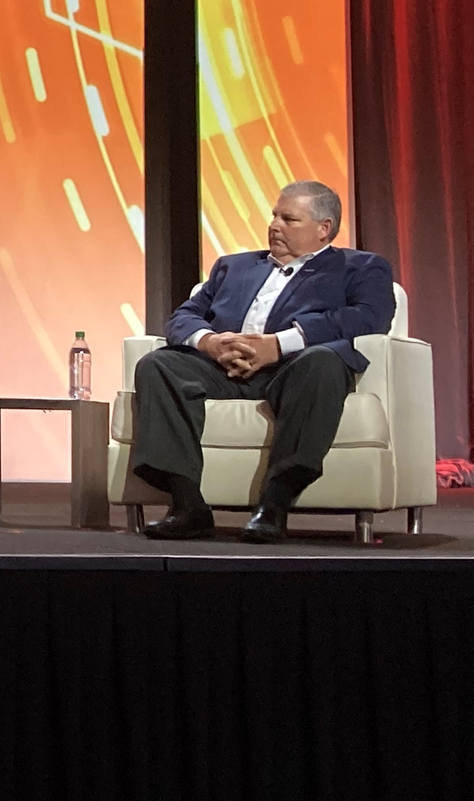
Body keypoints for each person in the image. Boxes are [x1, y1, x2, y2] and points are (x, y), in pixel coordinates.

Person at [132, 180, 394, 544]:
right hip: (223, 369)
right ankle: (187, 505)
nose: (275, 226)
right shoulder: (234, 266)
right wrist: (211, 343)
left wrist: (280, 344)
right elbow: (184, 316)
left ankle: (273, 506)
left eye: (289, 219)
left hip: (294, 369)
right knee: (158, 365)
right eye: (274, 216)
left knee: (323, 362)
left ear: (324, 228)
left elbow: (369, 316)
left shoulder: (359, 268)